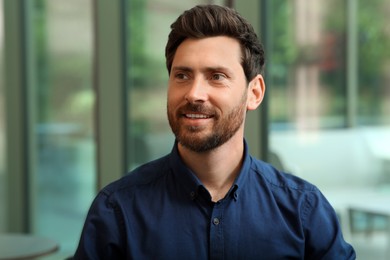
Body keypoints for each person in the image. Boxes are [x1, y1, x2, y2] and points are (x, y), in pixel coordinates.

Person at [74, 4, 356, 259]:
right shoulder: (118, 210)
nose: (195, 93)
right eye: (182, 76)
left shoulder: (304, 210)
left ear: (254, 93)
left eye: (216, 77)